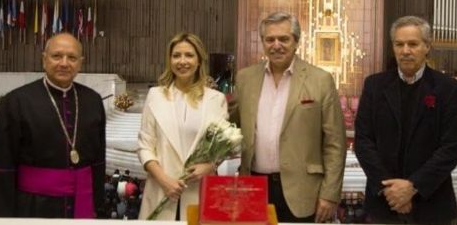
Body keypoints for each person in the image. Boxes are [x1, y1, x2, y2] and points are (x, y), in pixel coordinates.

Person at [231, 12, 346, 223]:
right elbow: (230, 126)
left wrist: (330, 194)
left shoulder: (320, 80)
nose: (276, 45)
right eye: (270, 39)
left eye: (284, 39)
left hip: (303, 191)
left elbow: (335, 143)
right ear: (263, 43)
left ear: (296, 42)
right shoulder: (245, 78)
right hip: (254, 186)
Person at [354, 16, 457, 224]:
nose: (405, 50)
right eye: (399, 44)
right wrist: (390, 190)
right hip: (383, 204)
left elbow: (451, 148)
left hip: (431, 203)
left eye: (413, 44)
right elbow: (363, 142)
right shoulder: (374, 86)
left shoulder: (449, 89)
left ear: (427, 46)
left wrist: (412, 186)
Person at [0, 32, 106, 218]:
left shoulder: (93, 100)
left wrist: (99, 207)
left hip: (82, 203)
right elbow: (1, 167)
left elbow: (98, 161)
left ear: (80, 62)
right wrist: (2, 218)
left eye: (72, 57)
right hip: (32, 206)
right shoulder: (16, 102)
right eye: (57, 56)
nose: (64, 63)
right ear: (44, 59)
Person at [138, 32, 228, 220]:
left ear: (198, 60)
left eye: (189, 55)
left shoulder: (216, 99)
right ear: (169, 60)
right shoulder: (155, 96)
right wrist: (164, 180)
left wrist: (209, 165)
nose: (182, 61)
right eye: (176, 55)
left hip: (200, 190)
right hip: (161, 190)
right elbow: (145, 146)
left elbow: (220, 147)